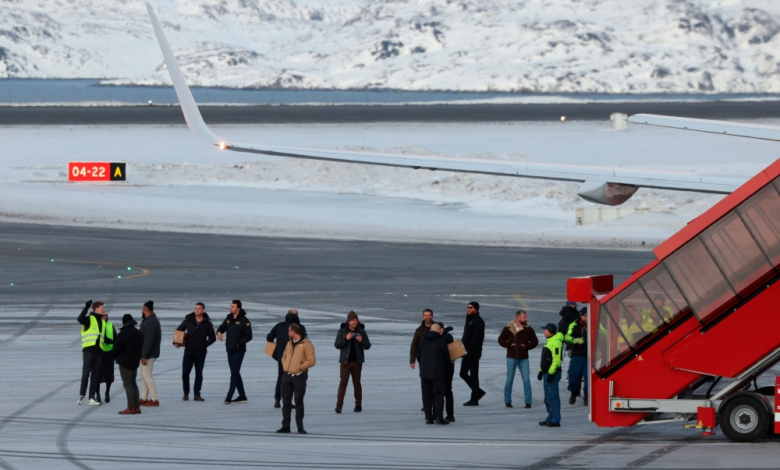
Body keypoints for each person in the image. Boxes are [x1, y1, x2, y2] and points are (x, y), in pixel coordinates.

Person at [278, 323, 316, 434]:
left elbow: (312, 360)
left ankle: (300, 427)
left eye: (289, 331)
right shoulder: (289, 343)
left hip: (299, 377)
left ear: (294, 332)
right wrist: (285, 366)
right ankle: (285, 426)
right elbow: (284, 356)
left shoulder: (307, 344)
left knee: (298, 401)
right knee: (286, 402)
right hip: (287, 376)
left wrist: (300, 367)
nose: (288, 333)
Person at [175, 302, 216, 401]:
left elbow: (212, 338)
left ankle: (197, 394)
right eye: (195, 308)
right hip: (188, 352)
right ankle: (186, 393)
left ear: (203, 310)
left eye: (199, 308)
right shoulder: (188, 321)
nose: (196, 310)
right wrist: (177, 342)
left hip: (201, 353)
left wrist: (204, 344)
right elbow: (179, 331)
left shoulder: (207, 324)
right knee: (185, 373)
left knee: (199, 374)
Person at [498, 310, 538, 408]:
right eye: (524, 317)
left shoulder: (528, 329)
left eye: (526, 317)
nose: (526, 319)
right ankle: (507, 401)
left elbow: (535, 341)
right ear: (518, 317)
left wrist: (527, 346)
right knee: (509, 380)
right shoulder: (508, 328)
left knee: (526, 380)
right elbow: (501, 339)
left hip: (523, 358)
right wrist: (509, 345)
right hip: (511, 357)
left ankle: (528, 402)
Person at [267, 309, 306, 409]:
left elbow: (269, 337)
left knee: (281, 377)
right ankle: (289, 401)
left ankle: (277, 398)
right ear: (297, 316)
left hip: (281, 357)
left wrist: (275, 352)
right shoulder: (300, 327)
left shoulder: (279, 326)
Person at [334, 311, 371, 413]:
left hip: (357, 362)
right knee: (343, 383)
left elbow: (367, 346)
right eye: (353, 320)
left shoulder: (361, 332)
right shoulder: (342, 331)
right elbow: (337, 345)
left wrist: (361, 340)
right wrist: (345, 339)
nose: (355, 322)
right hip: (345, 362)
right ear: (348, 321)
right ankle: (339, 405)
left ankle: (358, 405)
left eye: (356, 320)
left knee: (357, 383)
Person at [217, 300, 253, 404]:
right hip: (229, 349)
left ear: (238, 309)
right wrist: (219, 332)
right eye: (230, 306)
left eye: (233, 307)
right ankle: (242, 396)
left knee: (234, 374)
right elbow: (221, 328)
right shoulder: (229, 318)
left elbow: (249, 336)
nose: (230, 308)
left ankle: (229, 396)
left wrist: (239, 343)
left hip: (239, 350)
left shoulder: (244, 320)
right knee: (235, 372)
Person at [416, 323, 450, 425]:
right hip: (438, 372)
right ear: (439, 331)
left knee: (426, 395)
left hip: (425, 373)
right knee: (438, 394)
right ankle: (439, 418)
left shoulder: (423, 342)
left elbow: (418, 357)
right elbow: (446, 359)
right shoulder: (441, 342)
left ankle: (428, 418)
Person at [77, 300, 108, 405]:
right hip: (89, 351)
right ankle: (82, 396)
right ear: (96, 309)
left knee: (95, 376)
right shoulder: (89, 319)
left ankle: (91, 398)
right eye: (102, 308)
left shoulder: (103, 322)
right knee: (85, 374)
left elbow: (105, 338)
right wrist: (86, 307)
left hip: (99, 352)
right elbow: (80, 319)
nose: (104, 309)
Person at [114, 314, 144, 415]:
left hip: (124, 363)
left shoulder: (123, 334)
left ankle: (131, 407)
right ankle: (137, 407)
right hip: (135, 362)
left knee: (128, 385)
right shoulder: (139, 333)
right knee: (133, 383)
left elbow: (116, 349)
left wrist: (113, 357)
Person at [538, 323, 564, 427]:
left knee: (553, 397)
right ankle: (550, 417)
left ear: (550, 331)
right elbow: (545, 360)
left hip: (552, 374)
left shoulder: (556, 343)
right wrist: (541, 371)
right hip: (546, 373)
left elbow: (556, 361)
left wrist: (551, 373)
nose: (544, 331)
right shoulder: (549, 342)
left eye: (545, 330)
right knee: (547, 398)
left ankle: (555, 419)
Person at [461, 301, 485, 406]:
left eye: (470, 308)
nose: (468, 309)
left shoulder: (478, 321)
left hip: (473, 353)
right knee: (463, 373)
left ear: (476, 309)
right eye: (467, 307)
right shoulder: (469, 319)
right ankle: (477, 392)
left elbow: (477, 339)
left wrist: (469, 351)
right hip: (466, 352)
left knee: (474, 375)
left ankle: (474, 398)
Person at [139, 300, 161, 407]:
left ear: (144, 309)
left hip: (149, 354)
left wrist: (144, 355)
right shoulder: (150, 320)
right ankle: (144, 398)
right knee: (143, 375)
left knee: (147, 375)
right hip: (147, 353)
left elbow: (148, 340)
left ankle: (154, 399)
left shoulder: (151, 322)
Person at [564, 308, 588, 406]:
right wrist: (576, 340)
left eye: (587, 316)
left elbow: (604, 333)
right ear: (581, 316)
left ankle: (587, 395)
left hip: (589, 355)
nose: (586, 318)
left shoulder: (595, 323)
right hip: (577, 353)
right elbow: (567, 337)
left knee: (588, 376)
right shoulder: (574, 324)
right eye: (584, 316)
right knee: (573, 375)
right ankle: (574, 392)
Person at [436, 322, 456, 422]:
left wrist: (444, 332)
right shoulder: (441, 337)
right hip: (440, 368)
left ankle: (450, 414)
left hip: (447, 368)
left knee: (446, 391)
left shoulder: (447, 337)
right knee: (440, 391)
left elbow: (445, 339)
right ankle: (438, 413)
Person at [97, 309, 117, 404]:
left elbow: (116, 338)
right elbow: (103, 338)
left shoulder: (110, 325)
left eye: (106, 315)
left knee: (109, 375)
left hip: (109, 352)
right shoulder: (97, 326)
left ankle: (107, 392)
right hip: (99, 352)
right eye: (103, 315)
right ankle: (97, 394)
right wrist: (111, 341)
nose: (105, 317)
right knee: (97, 375)